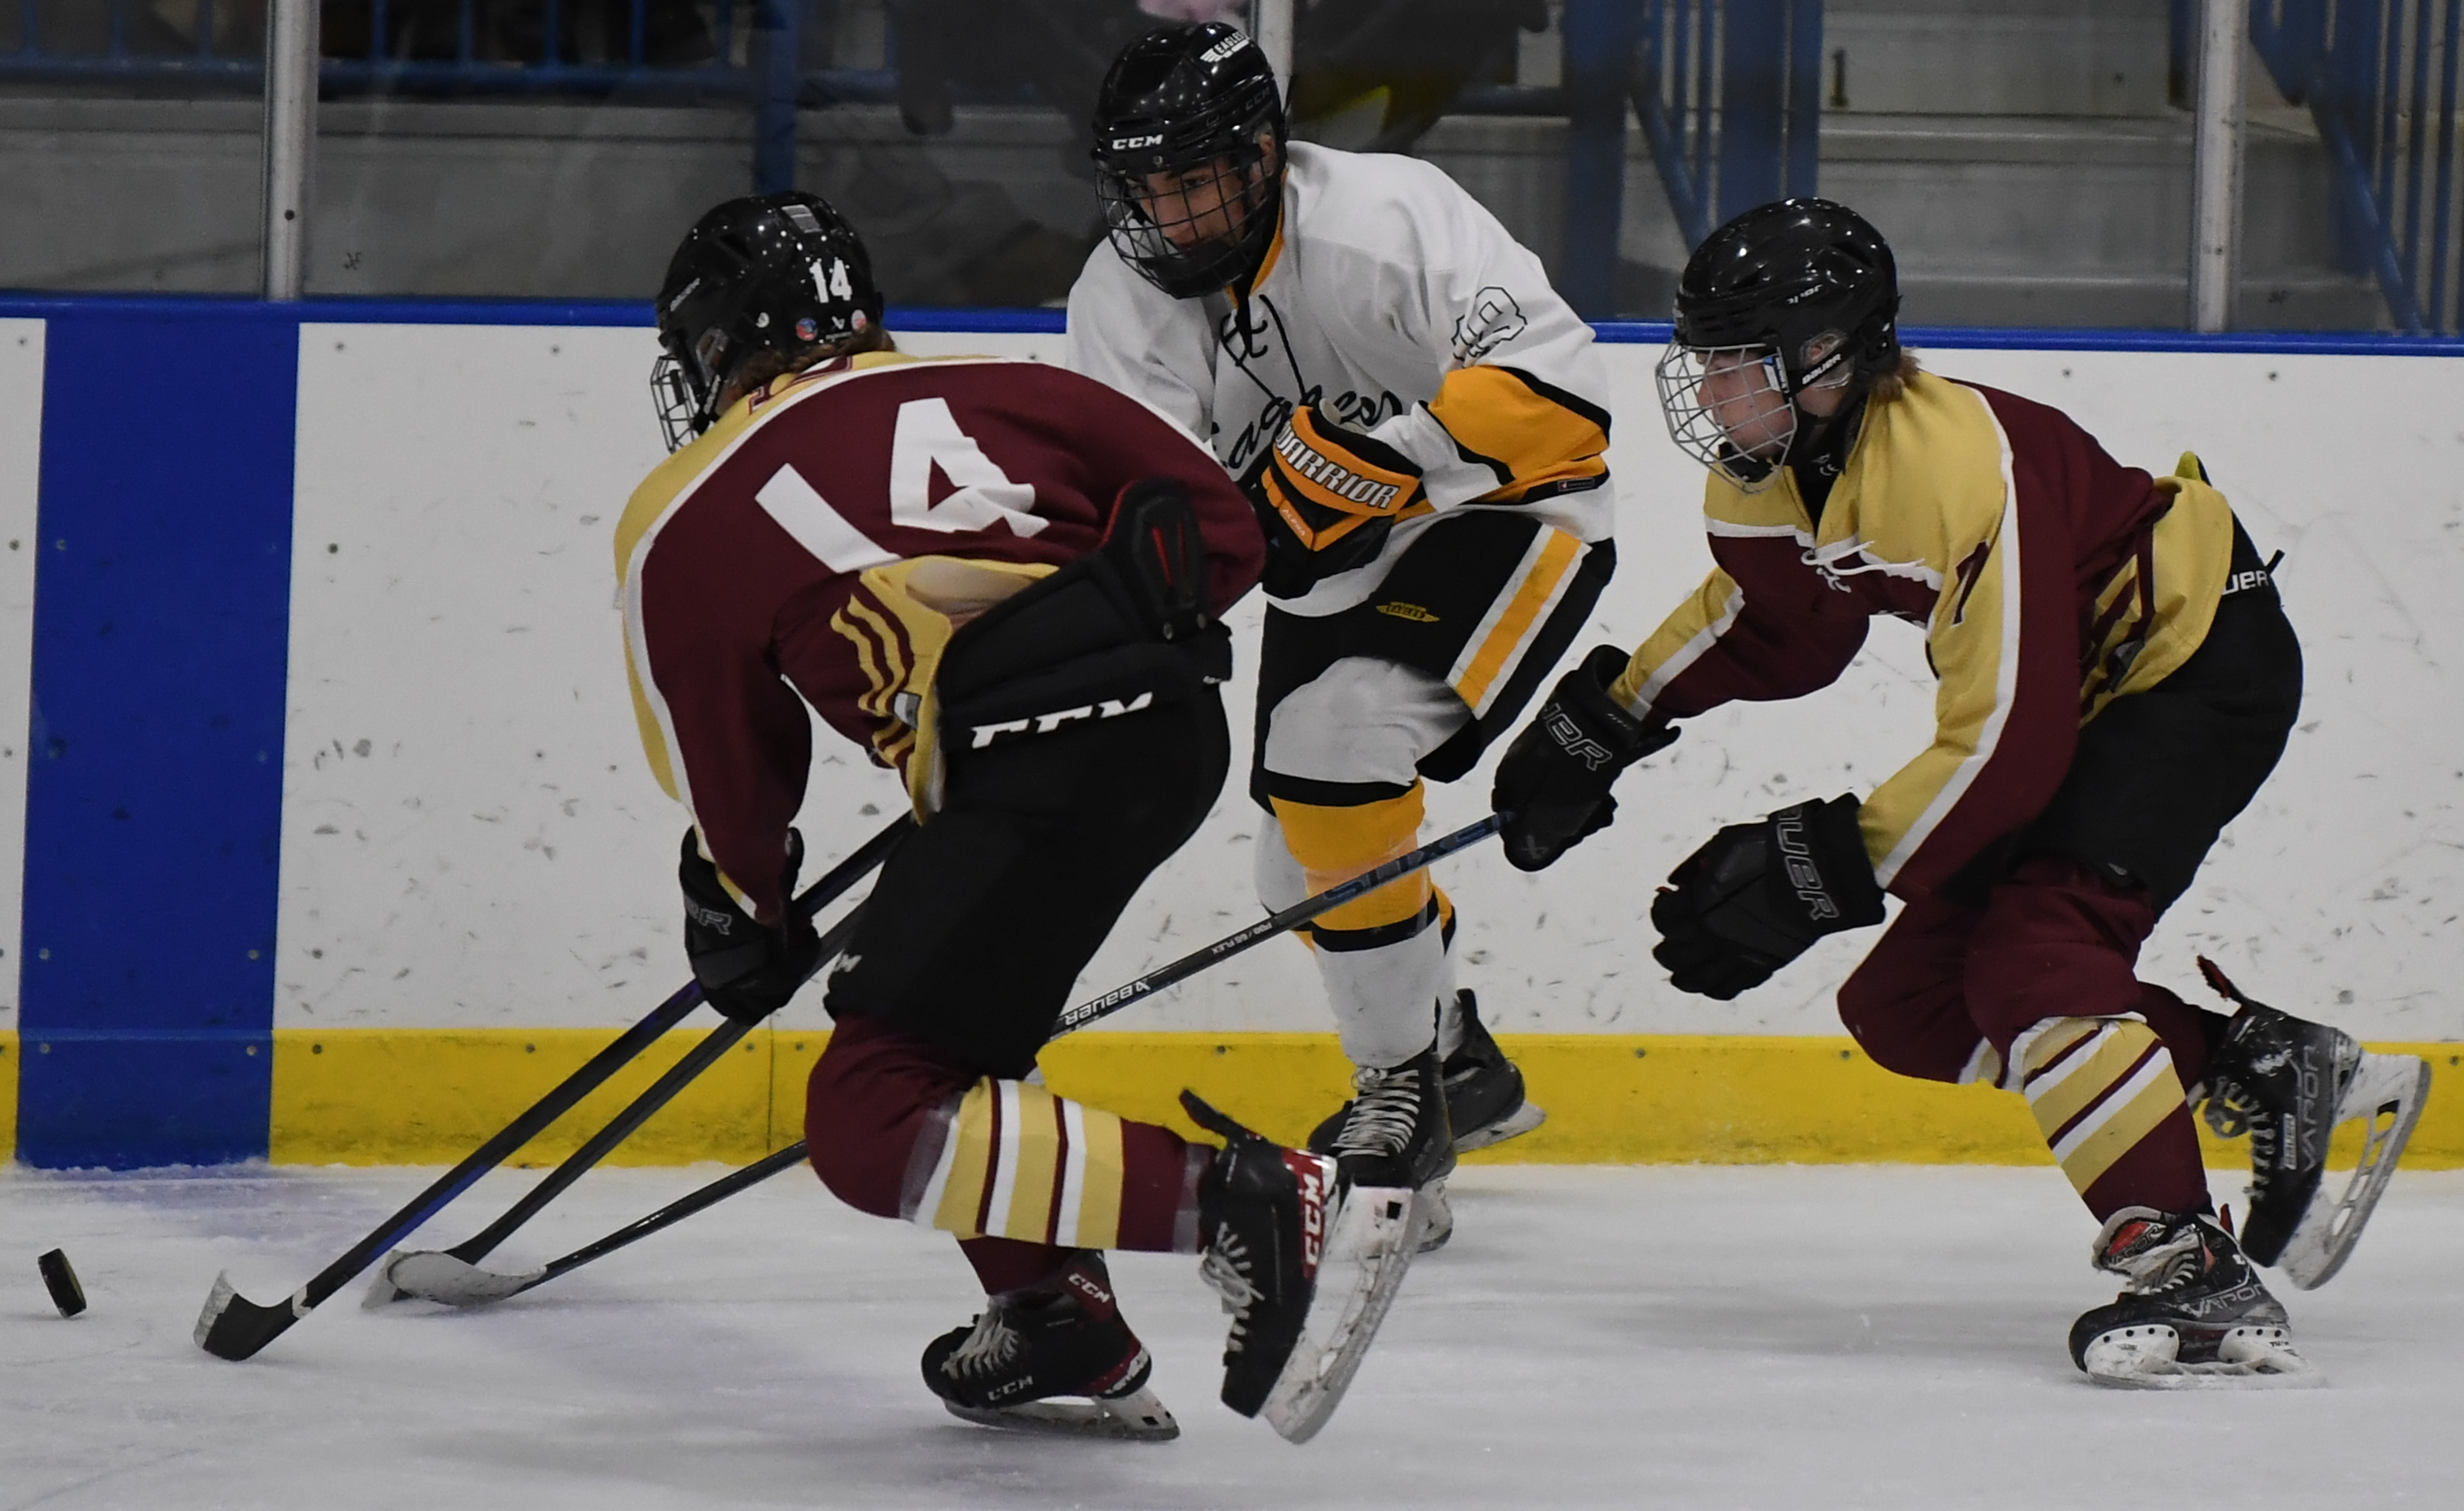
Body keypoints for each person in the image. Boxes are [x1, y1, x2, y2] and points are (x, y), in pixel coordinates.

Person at [1490, 197, 2433, 1387]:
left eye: (1745, 365)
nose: (1716, 394)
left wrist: (1823, 865)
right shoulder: (1768, 474)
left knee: (2036, 958)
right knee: (1914, 1004)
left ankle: (2193, 1266)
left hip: (2194, 660)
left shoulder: (1955, 464)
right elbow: (1778, 630)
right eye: (1709, 363)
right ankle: (2257, 1065)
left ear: (1835, 360)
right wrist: (1612, 715)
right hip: (2090, 701)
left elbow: (2010, 745)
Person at [619, 190, 1421, 1441]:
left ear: (717, 350)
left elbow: (734, 772)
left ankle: (1253, 1203)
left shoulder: (682, 508)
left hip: (1027, 773)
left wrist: (745, 906)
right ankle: (1058, 1316)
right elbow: (1224, 533)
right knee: (948, 1041)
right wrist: (1086, 651)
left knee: (871, 1111)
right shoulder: (1012, 384)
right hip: (1167, 738)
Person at [1065, 22, 1618, 1245]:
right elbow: (1154, 504)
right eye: (1146, 184)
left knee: (1332, 747)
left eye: (1195, 176)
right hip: (1325, 578)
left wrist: (1375, 462)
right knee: (1300, 859)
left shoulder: (1388, 215)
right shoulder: (1117, 297)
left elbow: (1567, 402)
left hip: (1512, 520)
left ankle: (1401, 1100)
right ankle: (1455, 1051)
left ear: (1265, 152)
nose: (1170, 208)